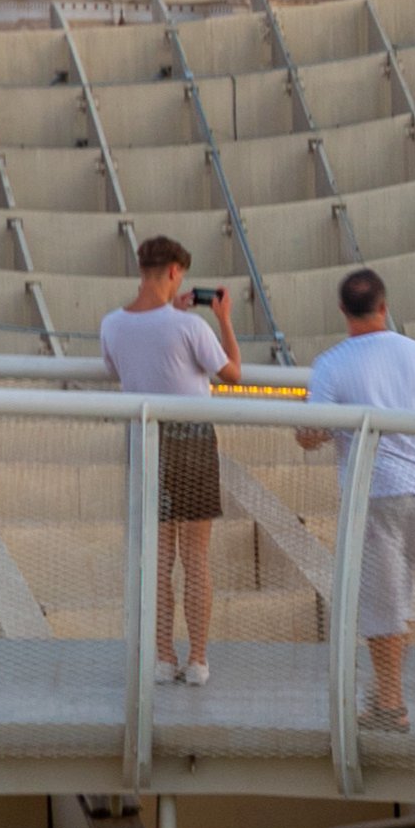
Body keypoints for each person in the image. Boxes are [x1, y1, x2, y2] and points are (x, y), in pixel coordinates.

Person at [296, 268, 415, 732]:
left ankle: (390, 704)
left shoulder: (331, 364)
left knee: (381, 602)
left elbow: (308, 435)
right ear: (384, 306)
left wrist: (331, 428)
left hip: (374, 492)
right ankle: (389, 695)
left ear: (343, 311)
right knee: (399, 593)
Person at [97, 236, 232, 688]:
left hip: (145, 440)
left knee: (157, 556)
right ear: (175, 272)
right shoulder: (189, 327)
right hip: (191, 438)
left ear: (142, 269)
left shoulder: (111, 324)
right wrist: (224, 320)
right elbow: (232, 371)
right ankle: (197, 658)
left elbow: (118, 369)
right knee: (195, 556)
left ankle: (161, 655)